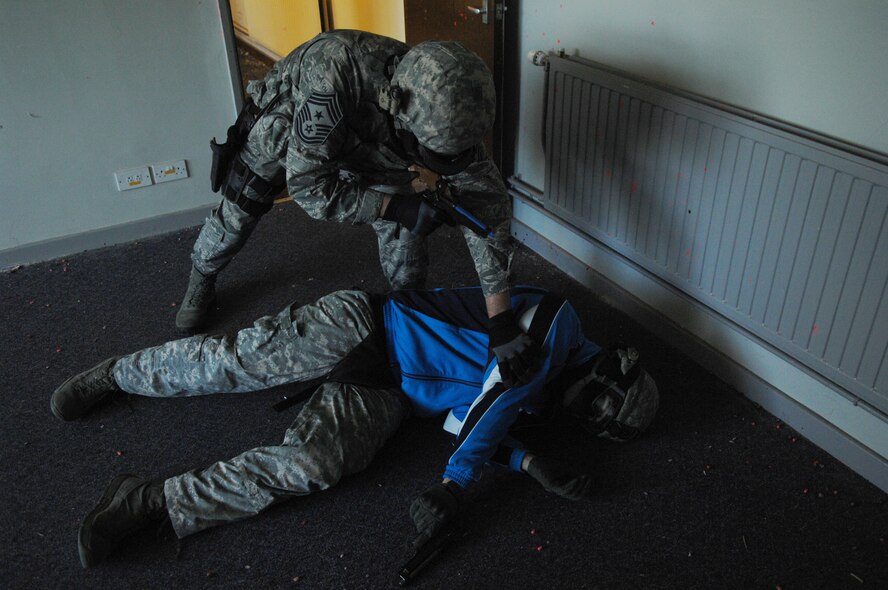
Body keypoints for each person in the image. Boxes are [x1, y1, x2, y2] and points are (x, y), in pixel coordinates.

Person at [52, 285, 660, 569]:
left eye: (599, 425)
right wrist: (455, 485)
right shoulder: (557, 325)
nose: (590, 415)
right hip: (367, 324)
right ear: (612, 368)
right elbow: (498, 396)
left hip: (392, 394)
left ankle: (152, 502)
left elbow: (461, 418)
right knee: (228, 364)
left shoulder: (543, 402)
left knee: (313, 466)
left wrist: (524, 461)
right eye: (603, 404)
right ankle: (115, 375)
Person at [180, 30, 536, 387]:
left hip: (380, 143)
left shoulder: (448, 111)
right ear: (403, 116)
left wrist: (500, 318)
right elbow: (307, 187)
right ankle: (203, 271)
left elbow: (488, 217)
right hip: (291, 123)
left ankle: (406, 309)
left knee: (406, 226)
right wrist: (392, 206)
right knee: (244, 201)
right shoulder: (334, 75)